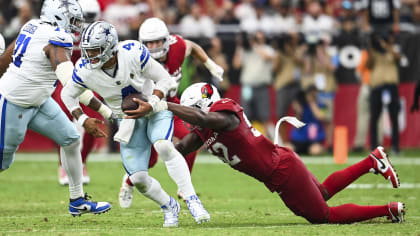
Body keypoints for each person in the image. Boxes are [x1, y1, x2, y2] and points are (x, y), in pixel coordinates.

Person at [125, 82, 405, 224]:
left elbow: (208, 120)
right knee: (321, 194)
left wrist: (165, 106)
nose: (191, 120)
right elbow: (180, 148)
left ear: (205, 103)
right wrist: (149, 135)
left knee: (322, 216)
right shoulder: (204, 127)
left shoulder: (223, 114)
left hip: (279, 170)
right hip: (280, 164)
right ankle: (373, 161)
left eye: (195, 110)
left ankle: (390, 211)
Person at [61, 21, 210, 227]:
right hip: (127, 119)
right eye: (87, 51)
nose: (89, 56)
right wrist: (83, 119)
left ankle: (192, 199)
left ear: (109, 47)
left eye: (94, 50)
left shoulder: (132, 52)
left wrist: (152, 104)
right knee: (139, 178)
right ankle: (169, 206)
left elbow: (165, 80)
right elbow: (67, 95)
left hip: (154, 107)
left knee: (164, 146)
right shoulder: (85, 70)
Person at [0, 0, 111, 216]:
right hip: (14, 102)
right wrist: (103, 112)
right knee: (3, 162)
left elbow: (6, 59)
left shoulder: (33, 25)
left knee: (70, 139)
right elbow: (71, 83)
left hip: (39, 100)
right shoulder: (57, 39)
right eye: (74, 20)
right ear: (59, 16)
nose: (77, 26)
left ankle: (77, 200)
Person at [118, 17, 224, 208]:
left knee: (191, 139)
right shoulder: (137, 58)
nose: (154, 46)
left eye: (158, 41)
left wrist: (211, 65)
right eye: (149, 43)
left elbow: (192, 46)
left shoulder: (178, 47)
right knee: (149, 160)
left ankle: (184, 187)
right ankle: (128, 181)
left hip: (171, 105)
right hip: (148, 110)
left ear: (166, 40)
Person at [52, 0, 103, 185]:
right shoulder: (62, 29)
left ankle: (81, 162)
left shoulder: (102, 32)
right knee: (62, 121)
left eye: (89, 17)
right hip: (64, 79)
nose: (85, 22)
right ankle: (62, 165)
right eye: (82, 18)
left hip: (89, 81)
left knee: (93, 119)